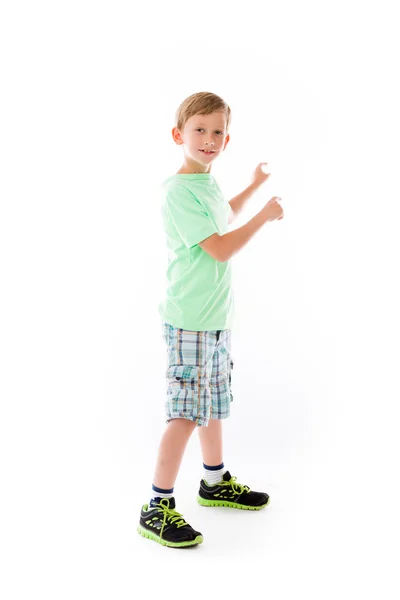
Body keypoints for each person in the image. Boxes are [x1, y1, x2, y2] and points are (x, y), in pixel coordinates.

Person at [137, 91, 284, 548]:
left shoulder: (206, 183)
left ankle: (214, 481)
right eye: (199, 130)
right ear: (178, 135)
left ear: (227, 139)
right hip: (190, 320)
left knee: (214, 403)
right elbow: (220, 247)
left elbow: (223, 217)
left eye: (218, 131)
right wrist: (264, 217)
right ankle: (156, 506)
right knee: (185, 412)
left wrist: (254, 187)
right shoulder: (178, 190)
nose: (209, 139)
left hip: (215, 319)